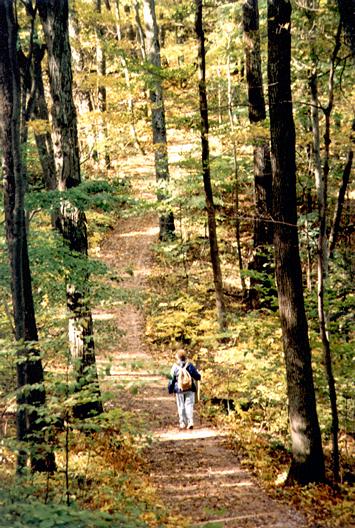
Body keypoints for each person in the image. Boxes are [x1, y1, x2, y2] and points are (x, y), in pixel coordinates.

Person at [168, 350, 201, 430]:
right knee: (189, 405)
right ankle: (190, 421)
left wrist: (170, 389)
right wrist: (199, 375)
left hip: (179, 389)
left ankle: (182, 423)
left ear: (177, 357)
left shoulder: (175, 367)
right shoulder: (189, 365)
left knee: (181, 406)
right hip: (190, 388)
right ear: (185, 357)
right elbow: (197, 377)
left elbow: (171, 379)